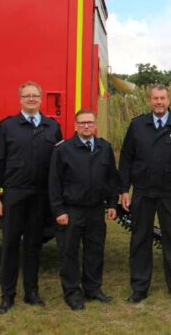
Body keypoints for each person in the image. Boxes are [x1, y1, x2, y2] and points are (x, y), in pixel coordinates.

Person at [0, 81, 62, 314]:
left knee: (33, 245)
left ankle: (32, 292)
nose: (31, 99)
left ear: (40, 99)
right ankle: (7, 295)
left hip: (40, 196)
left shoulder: (52, 127)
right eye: (27, 95)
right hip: (14, 193)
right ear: (20, 99)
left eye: (35, 95)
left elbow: (58, 165)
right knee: (10, 245)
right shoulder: (7, 126)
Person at [119, 85, 171, 305]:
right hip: (142, 192)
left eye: (162, 98)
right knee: (140, 240)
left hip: (170, 193)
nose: (159, 102)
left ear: (168, 100)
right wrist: (124, 189)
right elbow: (126, 159)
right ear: (150, 100)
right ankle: (139, 288)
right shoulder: (137, 125)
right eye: (155, 98)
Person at [48, 109, 119, 311]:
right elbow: (54, 182)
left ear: (95, 125)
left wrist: (112, 203)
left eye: (89, 122)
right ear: (75, 125)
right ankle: (72, 293)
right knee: (69, 252)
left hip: (96, 209)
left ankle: (93, 289)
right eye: (82, 123)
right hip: (71, 210)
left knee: (95, 251)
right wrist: (59, 211)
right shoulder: (63, 149)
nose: (86, 126)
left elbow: (111, 178)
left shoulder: (104, 148)